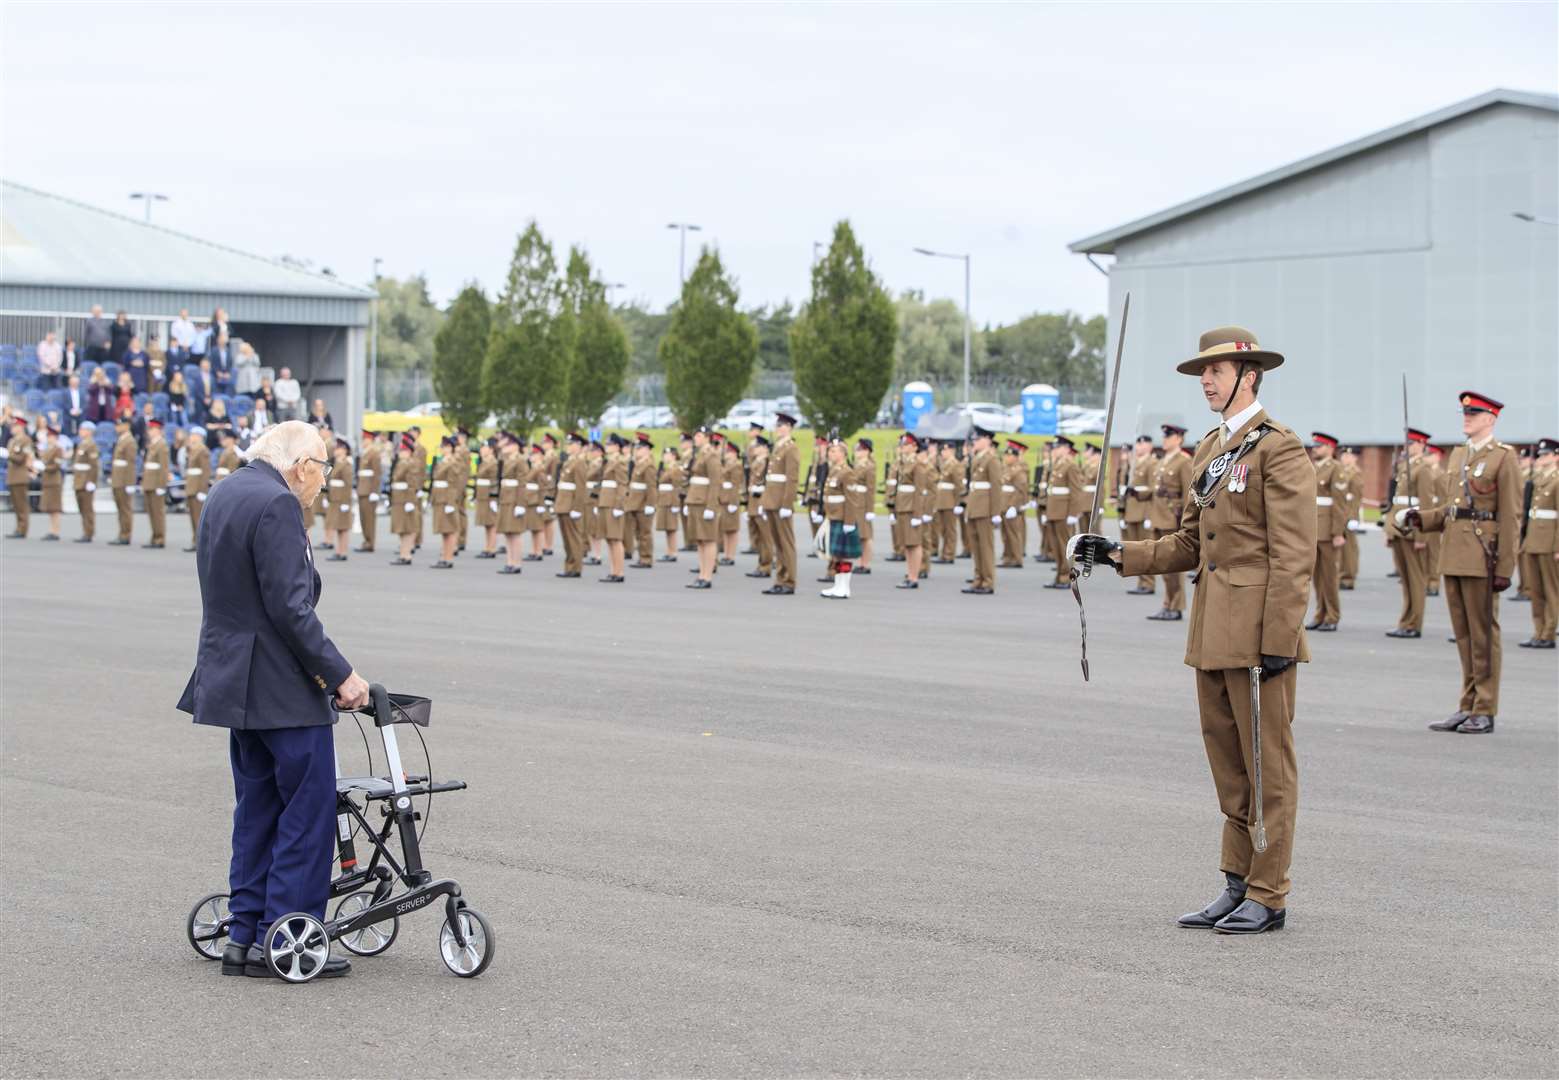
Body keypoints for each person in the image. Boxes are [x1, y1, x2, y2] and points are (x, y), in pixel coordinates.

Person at [1071, 324, 1312, 935]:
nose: (1205, 381)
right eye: (1201, 373)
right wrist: (1114, 553)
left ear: (1248, 376)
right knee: (1229, 763)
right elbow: (1186, 542)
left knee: (1268, 766)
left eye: (1216, 372)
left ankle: (1269, 890)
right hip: (1211, 630)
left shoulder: (1278, 449)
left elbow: (1293, 556)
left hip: (1258, 634)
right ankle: (1236, 881)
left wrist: (1281, 640)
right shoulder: (1210, 450)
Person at [176, 420, 366, 980]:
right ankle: (287, 934)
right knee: (307, 813)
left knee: (256, 810)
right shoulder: (278, 504)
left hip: (236, 680)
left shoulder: (227, 490)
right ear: (301, 465)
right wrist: (341, 675)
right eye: (323, 470)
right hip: (282, 688)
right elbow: (290, 608)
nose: (323, 484)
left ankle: (245, 933)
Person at [1399, 392, 1523, 734]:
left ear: (1491, 418)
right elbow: (1452, 510)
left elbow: (1511, 517)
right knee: (1464, 636)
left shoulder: (1503, 457)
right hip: (1454, 553)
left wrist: (1505, 569)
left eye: (1475, 413)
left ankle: (1485, 707)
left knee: (1483, 636)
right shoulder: (1458, 455)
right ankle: (1466, 704)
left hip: (1483, 557)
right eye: (1465, 413)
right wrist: (1421, 518)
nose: (1466, 417)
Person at [1384, 429, 1438, 639]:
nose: (1409, 446)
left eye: (1413, 443)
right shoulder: (1406, 467)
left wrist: (1422, 536)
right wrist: (1389, 530)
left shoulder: (1423, 469)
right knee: (1406, 580)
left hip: (1412, 531)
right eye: (1408, 442)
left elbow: (1425, 504)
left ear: (1422, 444)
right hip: (1399, 528)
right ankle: (1405, 620)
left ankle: (1414, 623)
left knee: (1415, 580)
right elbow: (1397, 501)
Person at [1517, 438, 1558, 649]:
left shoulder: (1557, 479)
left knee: (1551, 590)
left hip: (1549, 542)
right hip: (1534, 539)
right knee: (1536, 590)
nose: (1542, 458)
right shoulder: (1540, 478)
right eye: (1541, 455)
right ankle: (1538, 630)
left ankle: (1549, 633)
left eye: (1546, 454)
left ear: (1556, 456)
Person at [1148, 424, 1192, 621]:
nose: (1164, 440)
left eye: (1169, 437)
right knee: (1164, 568)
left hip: (1172, 519)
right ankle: (1167, 603)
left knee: (1174, 568)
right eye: (1164, 437)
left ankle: (1175, 606)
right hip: (1159, 518)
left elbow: (1188, 494)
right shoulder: (1162, 461)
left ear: (1179, 439)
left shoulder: (1184, 461)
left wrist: (1184, 521)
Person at [1305, 433, 1346, 632]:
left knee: (1329, 577)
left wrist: (1338, 532)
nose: (1315, 449)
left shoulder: (1336, 468)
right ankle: (1320, 613)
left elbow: (1339, 503)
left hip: (1329, 531)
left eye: (1319, 446)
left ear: (1330, 448)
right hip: (1314, 529)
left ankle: (1332, 616)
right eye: (1315, 446)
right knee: (1318, 577)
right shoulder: (1315, 468)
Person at [760, 412, 800, 594]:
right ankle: (780, 578)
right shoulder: (778, 447)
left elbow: (791, 479)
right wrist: (764, 501)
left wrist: (787, 504)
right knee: (778, 543)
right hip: (772, 501)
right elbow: (770, 479)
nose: (779, 428)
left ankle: (789, 581)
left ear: (790, 428)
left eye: (782, 425)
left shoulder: (791, 448)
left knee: (786, 543)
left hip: (781, 502)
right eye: (777, 425)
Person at [961, 425, 1002, 595]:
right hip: (974, 508)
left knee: (985, 547)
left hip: (985, 510)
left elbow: (996, 487)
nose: (974, 442)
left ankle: (988, 581)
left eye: (977, 439)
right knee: (976, 547)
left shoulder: (991, 459)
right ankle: (978, 579)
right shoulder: (977, 458)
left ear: (987, 440)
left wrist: (996, 513)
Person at [1120, 435, 1158, 595]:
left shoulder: (1152, 463)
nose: (1139, 447)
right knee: (1135, 549)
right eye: (1138, 444)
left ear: (1149, 446)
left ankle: (1148, 583)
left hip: (1144, 510)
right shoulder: (1134, 463)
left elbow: (1153, 490)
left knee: (1145, 549)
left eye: (1143, 444)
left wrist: (1150, 516)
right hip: (1132, 510)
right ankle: (1141, 581)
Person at [1040, 436, 1079, 589]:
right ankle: (1059, 575)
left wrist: (1072, 514)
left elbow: (1075, 491)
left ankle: (1066, 578)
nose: (1054, 451)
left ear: (1066, 448)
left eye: (1057, 448)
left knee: (1065, 546)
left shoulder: (1070, 465)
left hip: (1063, 512)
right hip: (1054, 511)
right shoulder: (1056, 464)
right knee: (1056, 546)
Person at [684, 427, 720, 589]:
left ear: (707, 437)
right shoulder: (701, 454)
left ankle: (707, 577)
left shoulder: (711, 455)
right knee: (700, 540)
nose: (695, 438)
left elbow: (715, 482)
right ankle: (701, 574)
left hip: (705, 501)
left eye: (698, 435)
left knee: (708, 539)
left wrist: (711, 506)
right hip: (695, 500)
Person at [597, 433, 630, 582]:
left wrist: (619, 505)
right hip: (605, 501)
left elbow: (622, 484)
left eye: (609, 444)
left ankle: (619, 572)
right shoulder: (610, 461)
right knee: (610, 539)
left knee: (616, 539)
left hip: (613, 503)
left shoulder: (619, 462)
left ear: (617, 447)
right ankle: (613, 570)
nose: (606, 447)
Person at [429, 436, 461, 568]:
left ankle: (448, 558)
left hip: (446, 498)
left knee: (449, 529)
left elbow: (453, 484)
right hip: (439, 497)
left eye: (443, 447)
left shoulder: (453, 462)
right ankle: (444, 556)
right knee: (444, 530)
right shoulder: (443, 461)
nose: (441, 449)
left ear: (449, 448)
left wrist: (450, 502)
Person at [388, 434, 420, 565]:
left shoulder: (410, 464)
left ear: (408, 452)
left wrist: (410, 501)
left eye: (403, 450)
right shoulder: (401, 463)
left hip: (405, 499)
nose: (400, 453)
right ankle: (403, 553)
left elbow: (412, 484)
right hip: (398, 498)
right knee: (401, 528)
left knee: (407, 528)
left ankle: (406, 554)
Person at [322, 437, 353, 562]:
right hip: (334, 498)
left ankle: (342, 552)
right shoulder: (337, 462)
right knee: (337, 526)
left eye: (338, 448)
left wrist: (346, 502)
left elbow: (348, 484)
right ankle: (339, 551)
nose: (336, 450)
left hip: (341, 499)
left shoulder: (346, 464)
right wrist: (327, 496)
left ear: (344, 450)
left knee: (343, 527)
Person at [1337, 445, 1365, 589]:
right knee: (1341, 549)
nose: (1345, 458)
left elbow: (1355, 498)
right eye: (1343, 455)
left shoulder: (1355, 474)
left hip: (1348, 514)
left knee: (1349, 549)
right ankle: (1342, 574)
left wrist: (1353, 518)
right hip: (1340, 513)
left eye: (1348, 456)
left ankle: (1348, 577)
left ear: (1355, 458)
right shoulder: (1342, 472)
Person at [140, 419, 170, 548]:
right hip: (149, 482)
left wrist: (161, 485)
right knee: (151, 511)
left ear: (159, 430)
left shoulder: (161, 445)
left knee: (157, 512)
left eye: (152, 429)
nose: (150, 432)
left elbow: (163, 467)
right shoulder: (152, 444)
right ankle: (154, 536)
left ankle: (159, 538)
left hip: (156, 483)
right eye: (149, 429)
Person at [109, 416, 138, 545]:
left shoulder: (130, 441)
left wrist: (130, 482)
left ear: (127, 426)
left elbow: (131, 464)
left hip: (124, 480)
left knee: (125, 509)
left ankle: (126, 535)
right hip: (118, 479)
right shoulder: (121, 440)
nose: (117, 427)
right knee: (120, 508)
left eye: (120, 425)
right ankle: (122, 533)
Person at [5, 416, 35, 538]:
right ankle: (18, 528)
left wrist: (8, 455)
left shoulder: (25, 440)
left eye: (15, 426)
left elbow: (22, 458)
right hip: (12, 475)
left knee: (21, 504)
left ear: (21, 427)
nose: (12, 429)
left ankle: (23, 529)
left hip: (20, 475)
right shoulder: (12, 441)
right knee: (16, 505)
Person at [353, 430, 383, 553]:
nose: (363, 442)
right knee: (363, 518)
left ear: (370, 440)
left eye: (365, 439)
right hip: (362, 488)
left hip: (369, 490)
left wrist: (375, 492)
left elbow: (377, 474)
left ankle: (370, 542)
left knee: (369, 518)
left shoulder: (374, 453)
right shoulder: (365, 453)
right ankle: (366, 540)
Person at [183, 426, 212, 552]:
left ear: (200, 437)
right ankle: (196, 540)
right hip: (191, 485)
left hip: (197, 487)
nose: (191, 437)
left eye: (194, 435)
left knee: (198, 517)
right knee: (193, 516)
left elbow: (205, 471)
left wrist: (202, 490)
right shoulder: (193, 450)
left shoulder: (202, 450)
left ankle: (200, 542)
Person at [71, 420, 100, 542]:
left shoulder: (91, 445)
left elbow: (94, 465)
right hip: (79, 479)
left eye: (83, 429)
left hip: (85, 480)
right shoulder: (82, 444)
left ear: (89, 432)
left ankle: (89, 532)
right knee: (82, 507)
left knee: (87, 508)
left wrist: (91, 481)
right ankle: (85, 530)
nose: (80, 431)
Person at [35, 426, 65, 539]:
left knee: (55, 508)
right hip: (48, 480)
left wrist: (44, 467)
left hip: (54, 480)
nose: (48, 438)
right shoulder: (48, 449)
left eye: (50, 436)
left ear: (55, 437)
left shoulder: (58, 449)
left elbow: (56, 465)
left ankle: (56, 531)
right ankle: (52, 530)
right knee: (50, 508)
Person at [655, 444, 682, 562]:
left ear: (673, 456)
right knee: (667, 528)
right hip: (663, 499)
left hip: (671, 500)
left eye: (667, 454)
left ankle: (673, 552)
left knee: (671, 528)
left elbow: (677, 487)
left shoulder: (676, 469)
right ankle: (669, 551)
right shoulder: (666, 468)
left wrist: (676, 504)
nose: (664, 457)